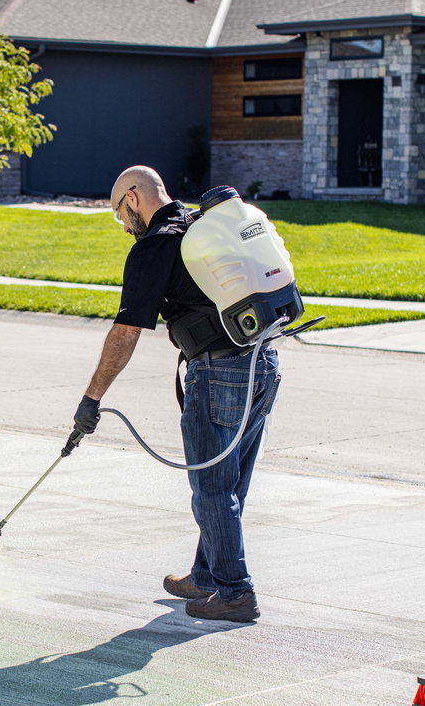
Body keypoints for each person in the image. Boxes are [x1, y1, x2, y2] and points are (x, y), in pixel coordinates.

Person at [71, 166, 281, 623]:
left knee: (211, 488)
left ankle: (235, 591)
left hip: (219, 372)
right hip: (263, 363)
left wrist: (91, 399)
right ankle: (208, 575)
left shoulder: (156, 245)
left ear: (132, 197)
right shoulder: (199, 226)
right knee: (230, 485)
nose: (124, 226)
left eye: (119, 215)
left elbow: (126, 332)